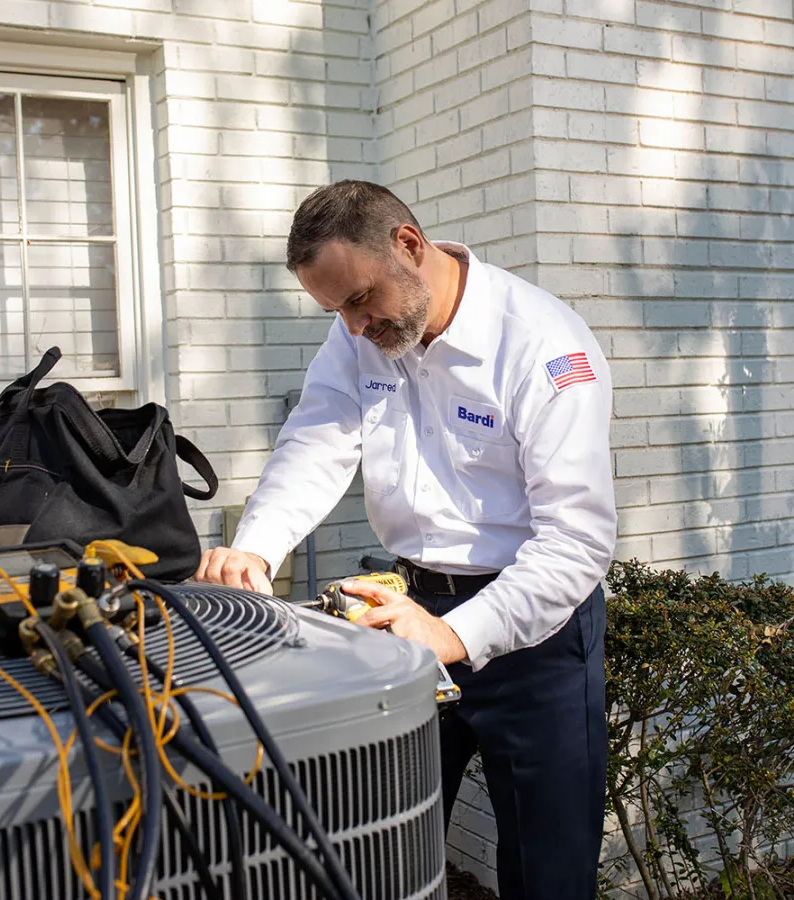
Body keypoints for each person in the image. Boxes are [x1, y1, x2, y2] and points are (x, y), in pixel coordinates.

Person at [195, 180, 617, 900]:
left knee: (548, 877)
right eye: (336, 311)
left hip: (537, 637)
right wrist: (255, 546)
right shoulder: (360, 332)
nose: (354, 328)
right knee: (379, 849)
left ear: (410, 248)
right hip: (406, 609)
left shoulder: (545, 347)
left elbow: (575, 543)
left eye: (359, 301)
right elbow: (319, 438)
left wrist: (450, 637)